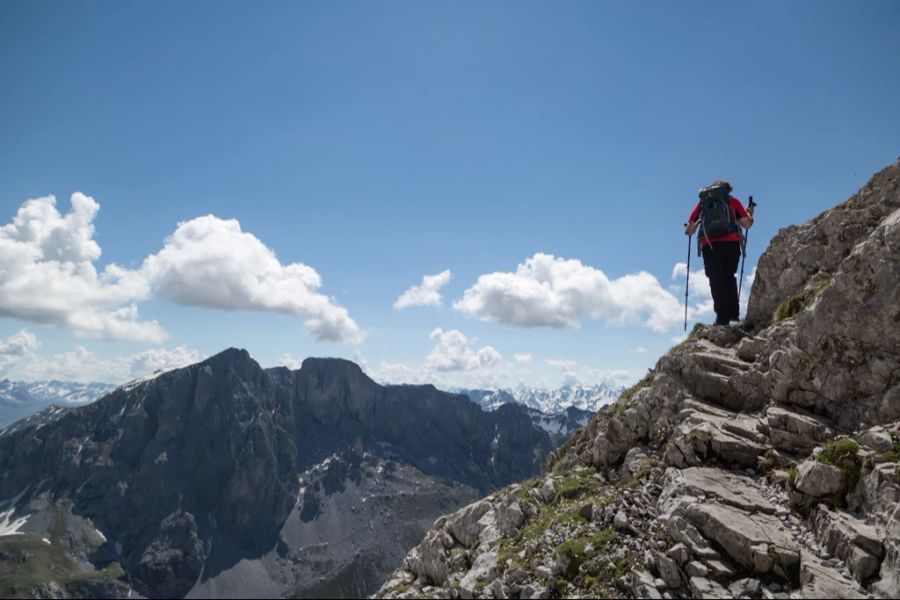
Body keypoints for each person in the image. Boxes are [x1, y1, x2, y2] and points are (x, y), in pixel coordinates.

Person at [685, 180, 754, 325]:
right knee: (729, 276)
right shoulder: (732, 201)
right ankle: (733, 316)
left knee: (716, 279)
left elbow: (690, 230)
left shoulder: (702, 203)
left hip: (709, 245)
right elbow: (746, 224)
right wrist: (750, 213)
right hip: (731, 243)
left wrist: (689, 228)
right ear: (727, 190)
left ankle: (722, 319)